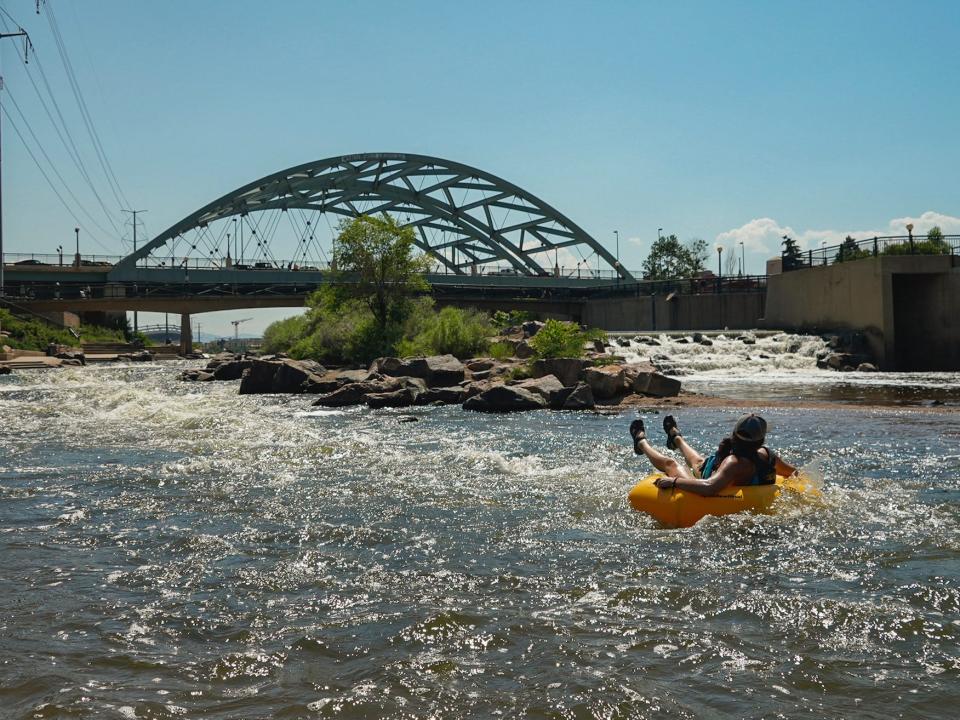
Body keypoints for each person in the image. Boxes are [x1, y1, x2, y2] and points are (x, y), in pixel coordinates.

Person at [629, 414, 797, 496]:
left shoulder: (734, 462)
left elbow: (709, 487)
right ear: (761, 440)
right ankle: (644, 443)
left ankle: (669, 438)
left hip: (712, 473)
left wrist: (674, 481)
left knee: (680, 463)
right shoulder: (767, 455)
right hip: (715, 471)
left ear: (734, 434)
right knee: (692, 463)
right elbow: (793, 473)